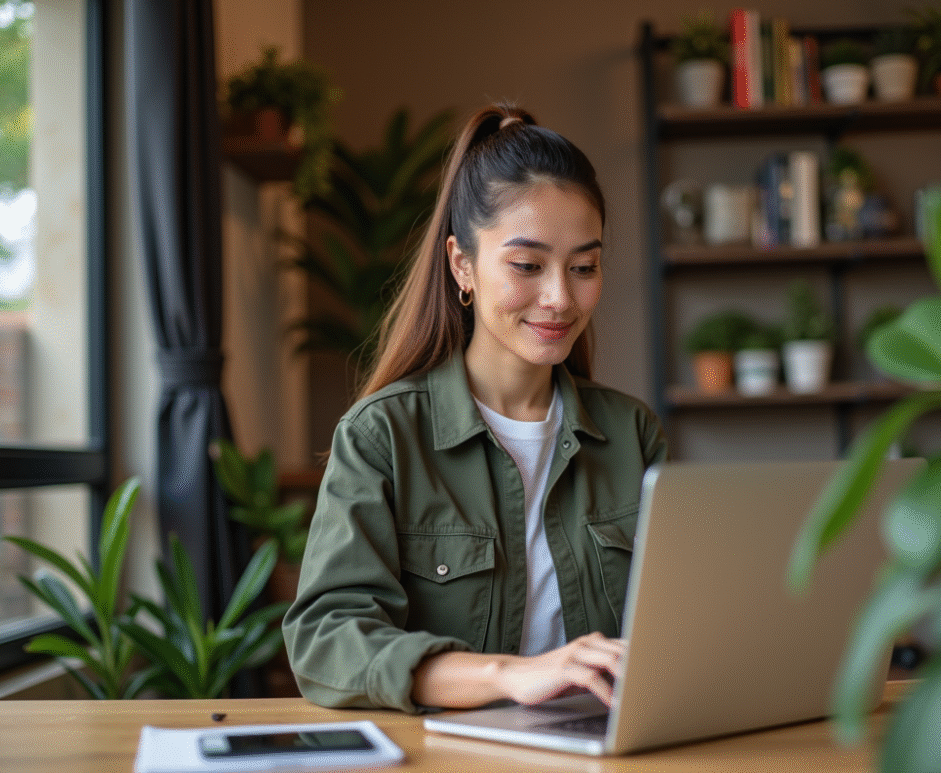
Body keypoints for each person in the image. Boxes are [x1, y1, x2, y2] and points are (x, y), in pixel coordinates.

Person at [282, 103, 668, 713]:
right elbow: (328, 641)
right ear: (463, 264)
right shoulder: (382, 436)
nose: (560, 298)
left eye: (584, 267)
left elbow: (681, 625)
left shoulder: (632, 434)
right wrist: (507, 675)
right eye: (526, 265)